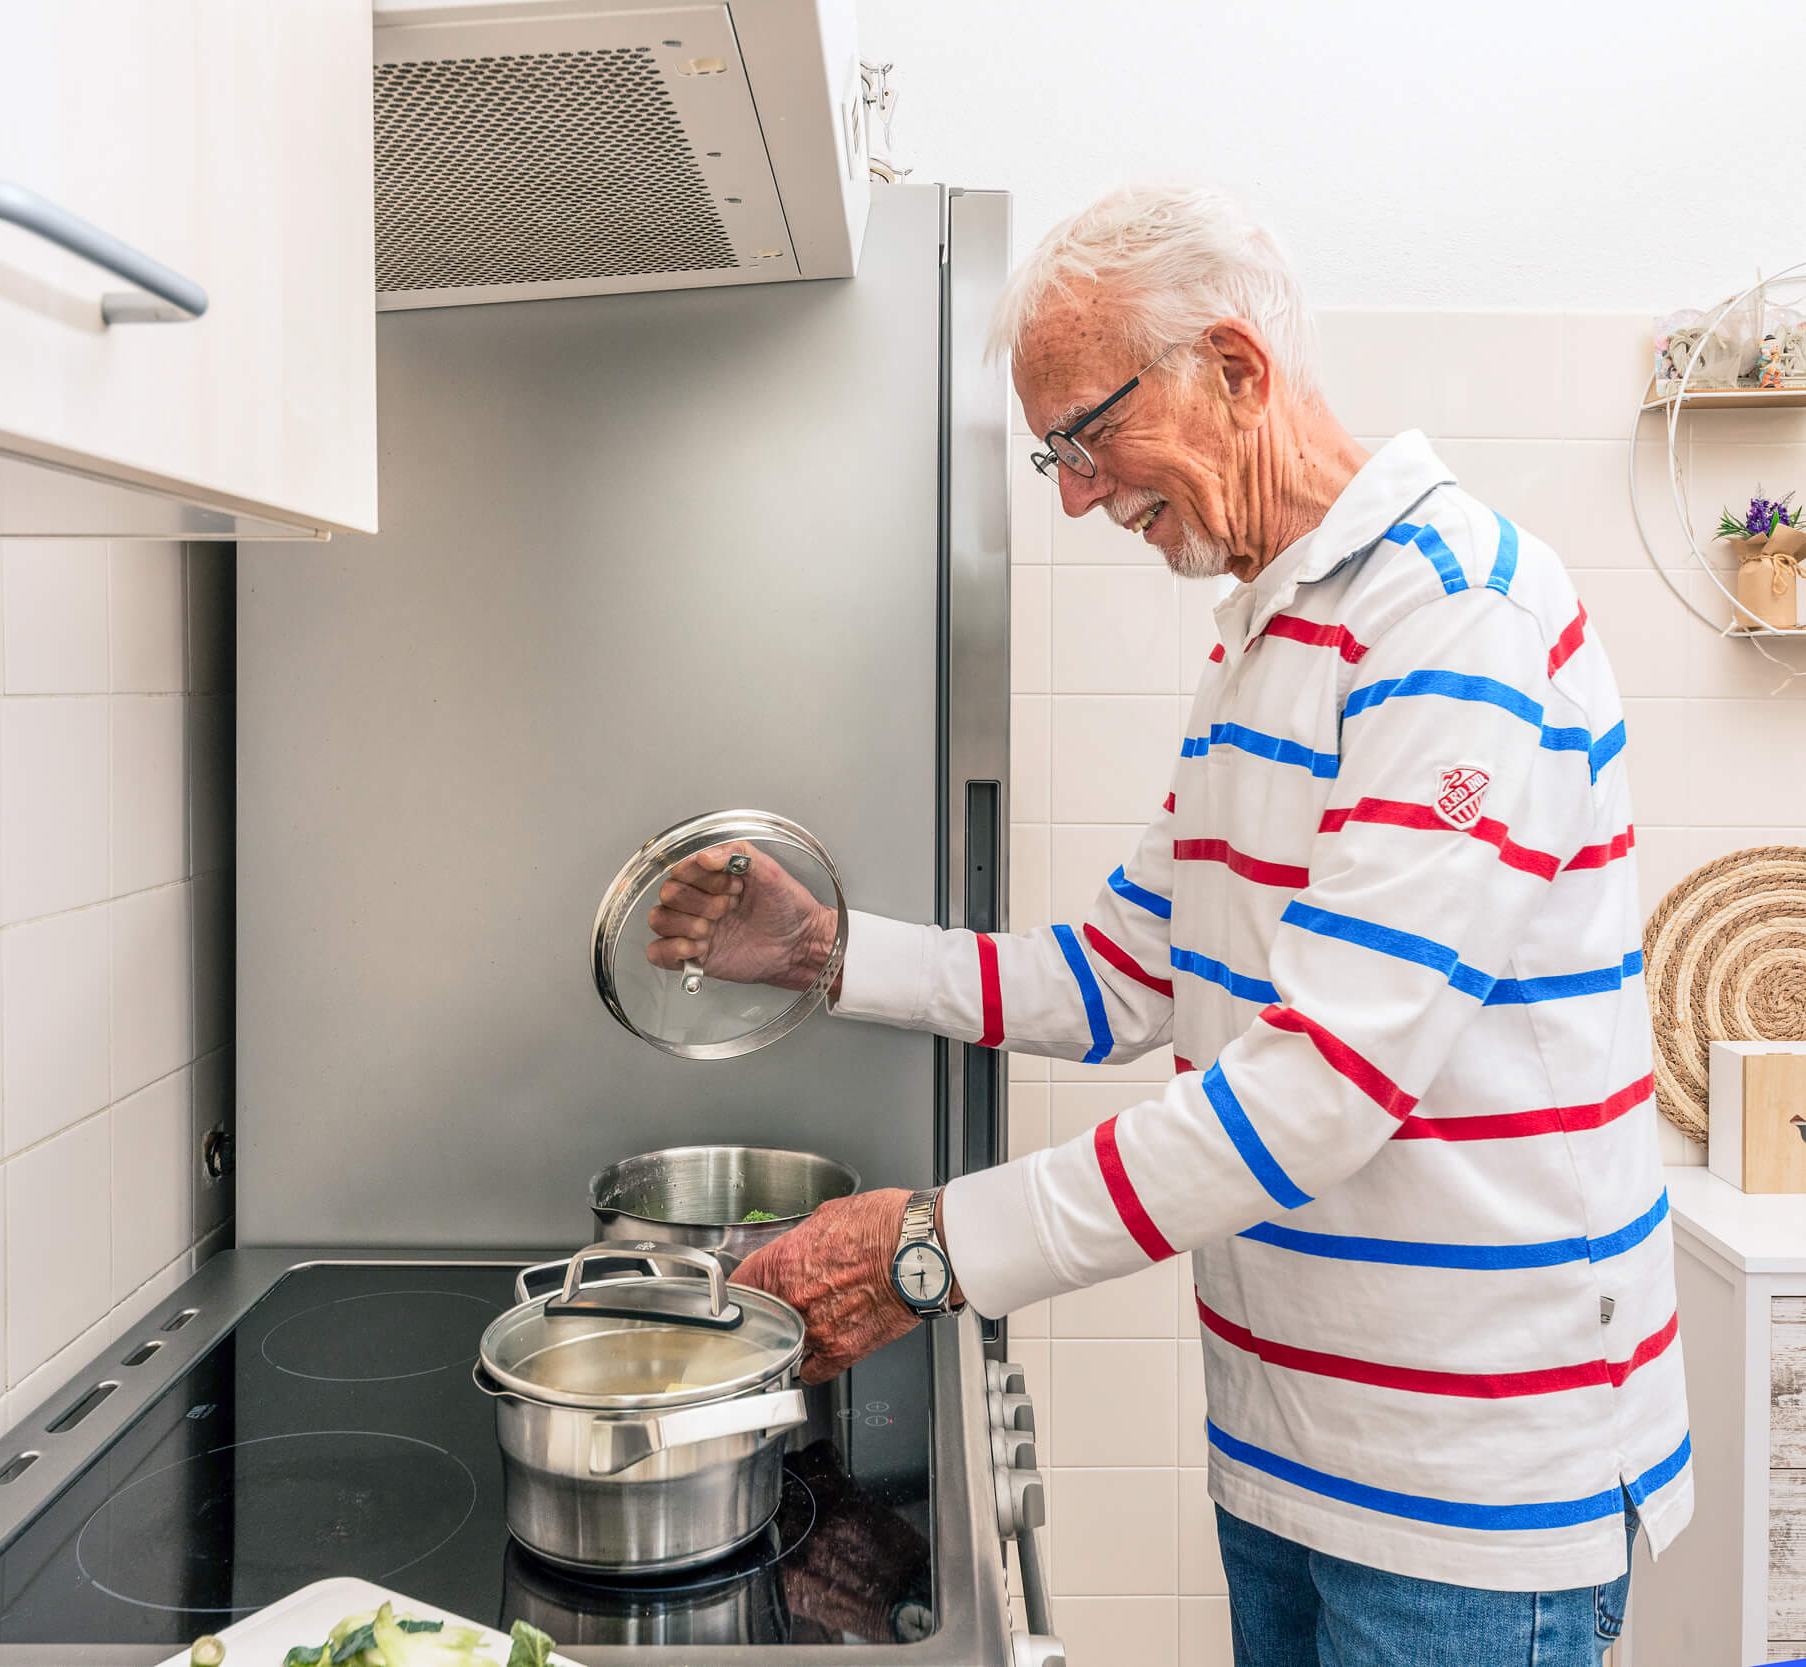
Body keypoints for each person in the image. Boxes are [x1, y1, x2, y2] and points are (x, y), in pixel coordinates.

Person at [651, 184, 1688, 1666]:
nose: (1075, 494)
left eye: (1085, 435)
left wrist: (929, 1251)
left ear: (1237, 370)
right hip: (1293, 1452)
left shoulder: (1460, 621)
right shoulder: (1266, 645)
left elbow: (1319, 1091)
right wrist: (830, 955)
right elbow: (1127, 975)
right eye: (1053, 452)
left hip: (1468, 1504)